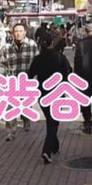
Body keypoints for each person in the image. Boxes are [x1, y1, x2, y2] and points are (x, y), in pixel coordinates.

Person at [28, 33, 72, 164]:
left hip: (43, 94)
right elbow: (68, 74)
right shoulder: (60, 57)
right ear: (51, 42)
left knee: (50, 120)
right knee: (54, 122)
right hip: (58, 93)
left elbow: (30, 75)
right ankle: (46, 150)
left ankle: (55, 146)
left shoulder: (37, 59)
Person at [0, 22, 39, 140]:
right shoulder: (7, 48)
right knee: (10, 106)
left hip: (27, 81)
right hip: (12, 81)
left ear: (25, 32)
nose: (18, 34)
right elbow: (2, 63)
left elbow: (37, 61)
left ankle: (26, 119)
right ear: (12, 34)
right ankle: (11, 132)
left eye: (20, 31)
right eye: (16, 31)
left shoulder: (32, 45)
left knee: (25, 104)